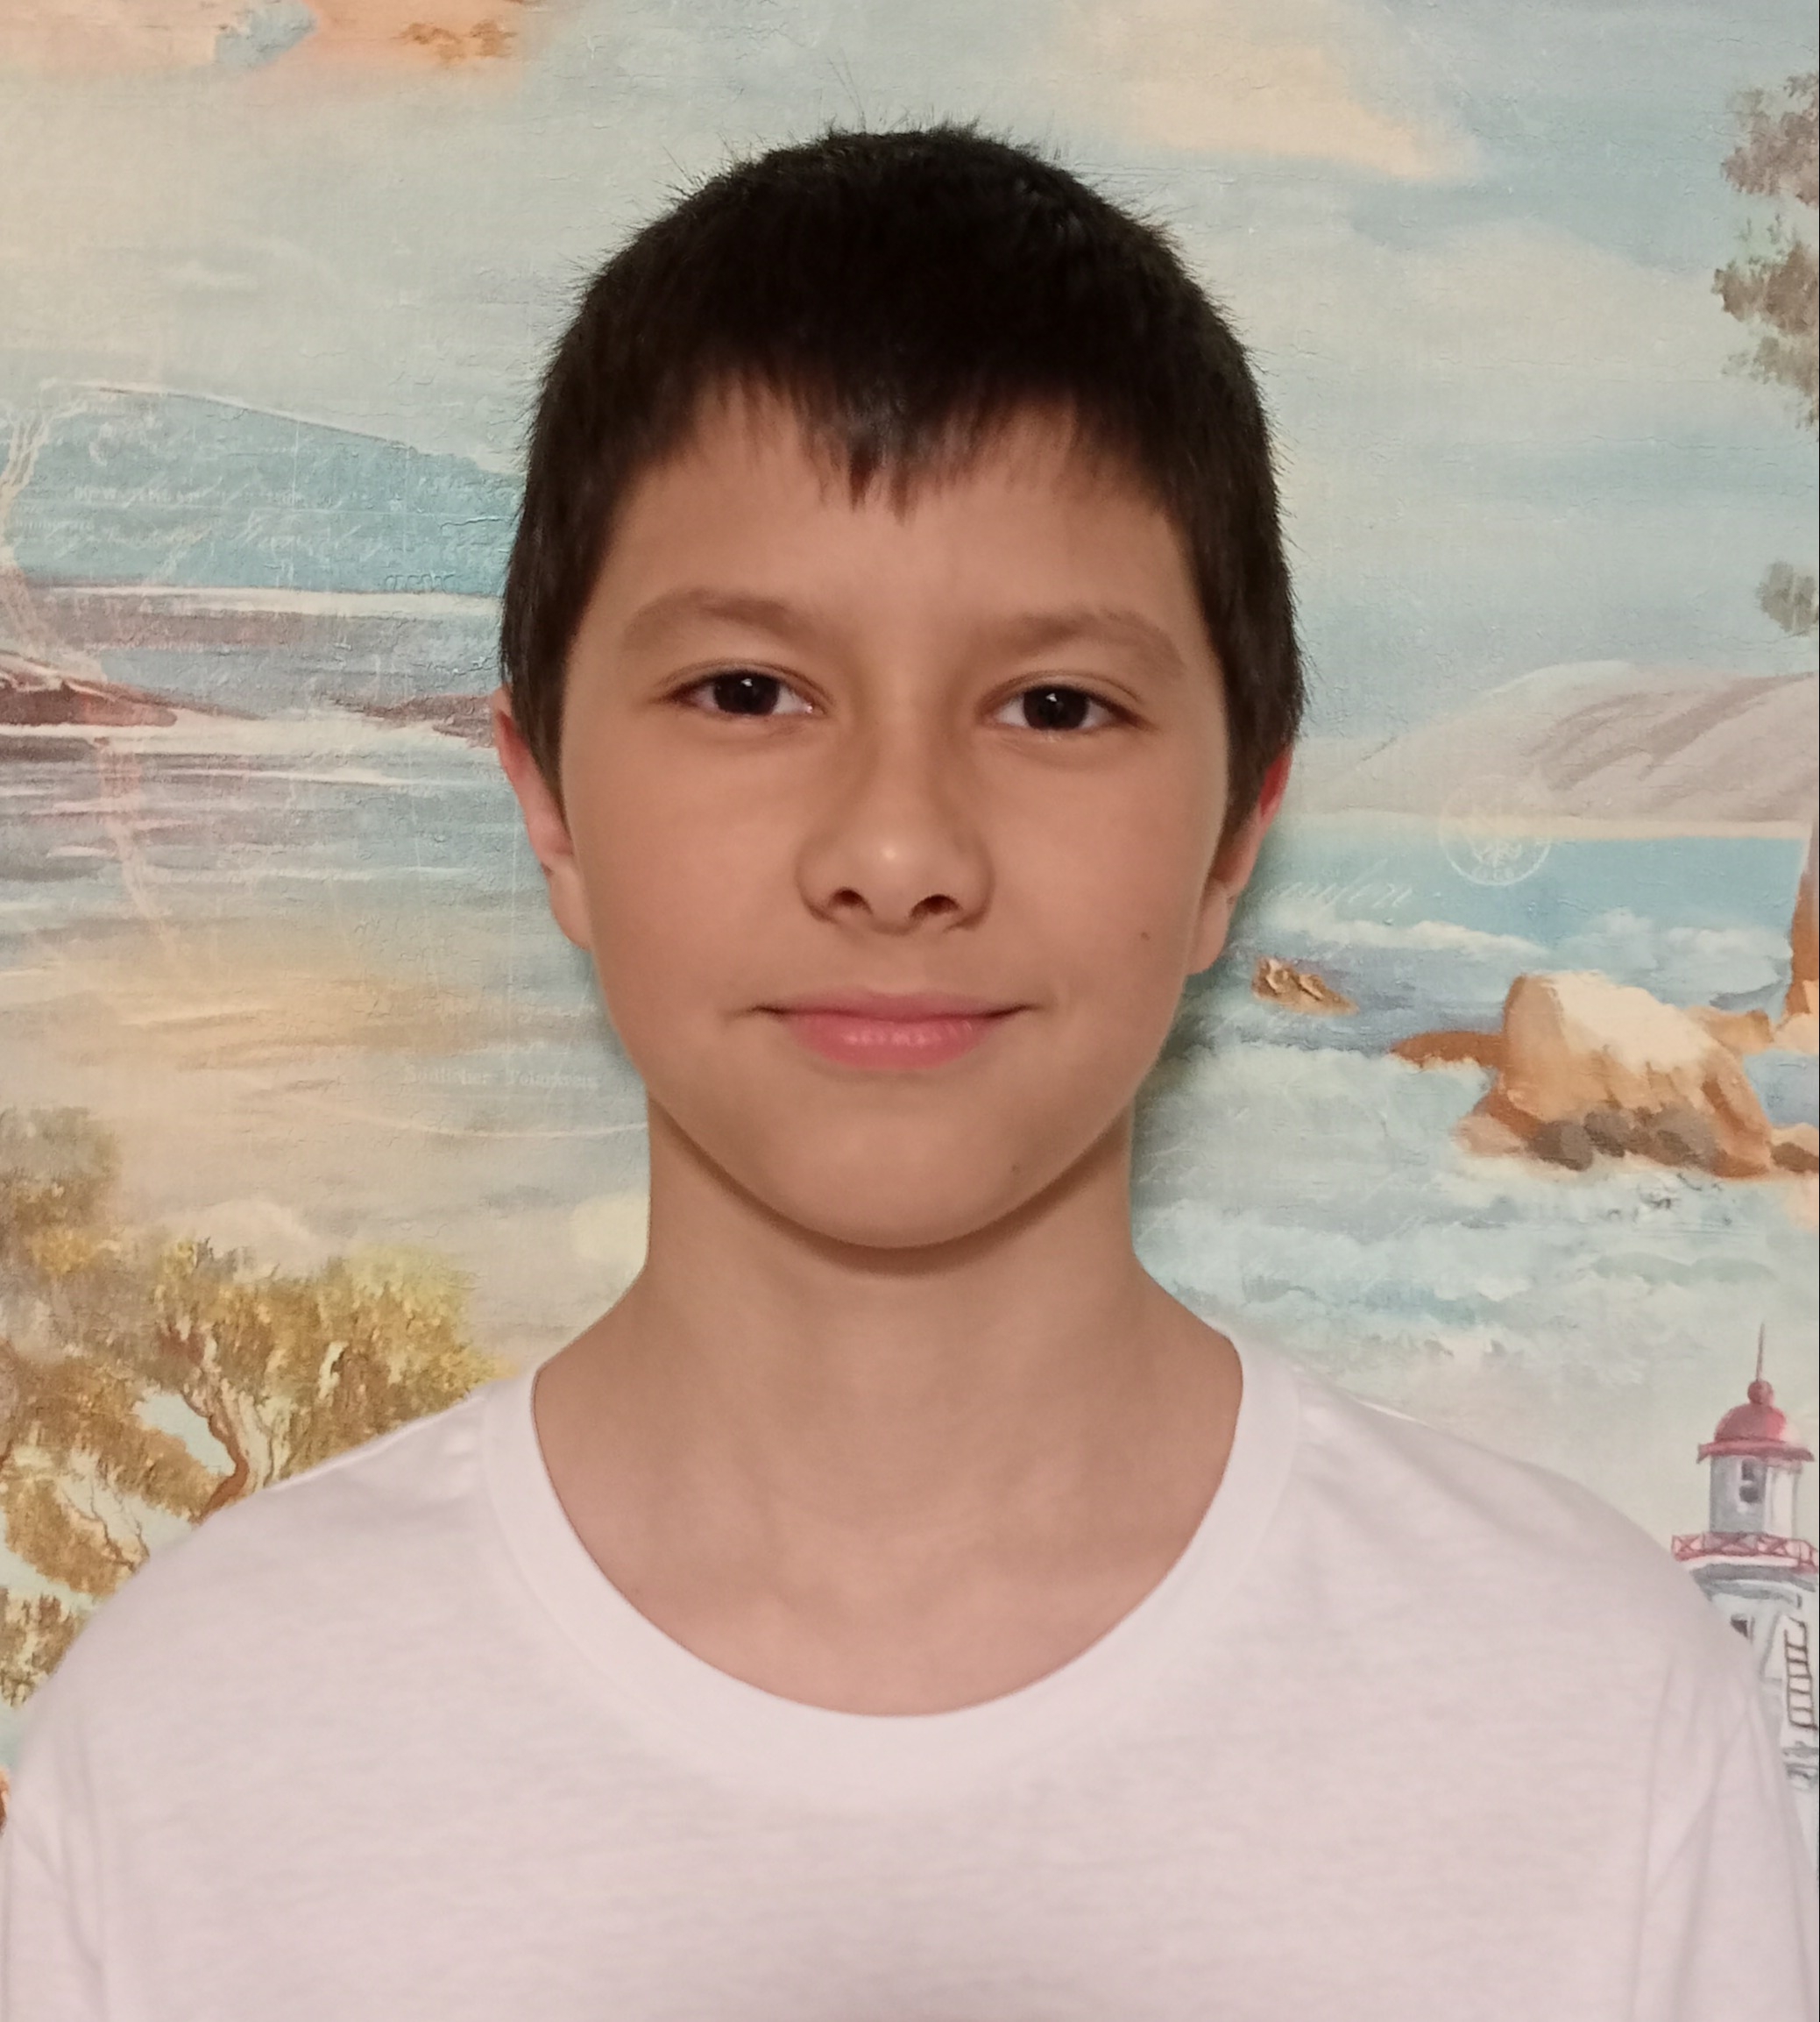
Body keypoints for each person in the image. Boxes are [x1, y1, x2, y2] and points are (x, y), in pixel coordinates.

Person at [1, 124, 1813, 2022]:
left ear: (1233, 835)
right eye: (746, 692)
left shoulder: (1590, 1714)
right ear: (545, 801)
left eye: (1055, 705)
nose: (895, 849)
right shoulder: (200, 1741)